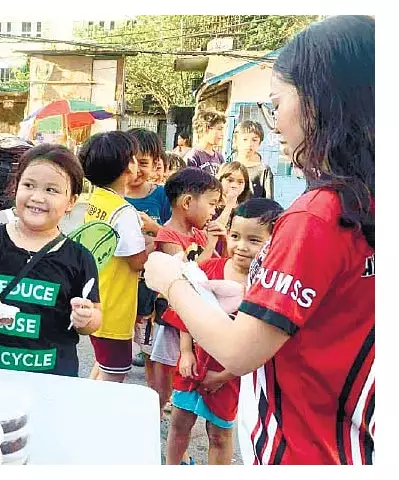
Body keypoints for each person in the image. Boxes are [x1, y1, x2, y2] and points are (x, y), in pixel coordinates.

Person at [143, 15, 375, 465]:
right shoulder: (368, 202)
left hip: (304, 447)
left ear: (318, 102)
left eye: (276, 104)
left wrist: (171, 280)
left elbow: (238, 350)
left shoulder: (316, 215)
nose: (274, 125)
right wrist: (247, 296)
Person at [0, 144, 101, 377]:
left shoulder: (80, 258)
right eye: (29, 185)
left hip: (52, 380)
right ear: (16, 187)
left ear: (71, 201)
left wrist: (86, 318)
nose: (37, 197)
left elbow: (95, 317)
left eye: (51, 190)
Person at [164, 198, 284, 465]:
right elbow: (186, 312)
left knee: (219, 434)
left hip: (231, 376)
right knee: (179, 422)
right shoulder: (208, 270)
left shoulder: (268, 287)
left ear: (275, 243)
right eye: (235, 236)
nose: (241, 246)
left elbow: (262, 346)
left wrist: (223, 376)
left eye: (254, 240)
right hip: (192, 365)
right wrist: (186, 352)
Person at [150, 168, 224, 420]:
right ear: (187, 202)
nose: (214, 211)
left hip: (194, 319)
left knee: (185, 378)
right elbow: (186, 274)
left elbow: (217, 267)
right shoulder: (167, 235)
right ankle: (154, 418)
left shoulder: (200, 234)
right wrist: (210, 245)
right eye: (211, 203)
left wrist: (224, 242)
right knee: (164, 381)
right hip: (171, 319)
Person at [79, 132, 149, 383]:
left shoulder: (98, 199)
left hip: (99, 298)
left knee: (102, 364)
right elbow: (136, 261)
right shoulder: (124, 211)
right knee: (114, 374)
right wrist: (157, 243)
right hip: (115, 309)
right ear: (127, 166)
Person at [124, 128, 172, 380]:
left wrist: (155, 229)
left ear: (156, 165)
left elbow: (176, 236)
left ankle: (157, 394)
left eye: (142, 163)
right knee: (115, 344)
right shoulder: (110, 196)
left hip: (151, 286)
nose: (134, 169)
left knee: (151, 348)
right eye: (128, 161)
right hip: (120, 283)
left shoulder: (162, 196)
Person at [212, 161, 252, 256]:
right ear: (220, 180)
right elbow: (215, 228)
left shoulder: (245, 208)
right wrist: (229, 205)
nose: (234, 185)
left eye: (240, 182)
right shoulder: (212, 205)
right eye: (230, 180)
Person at [230, 120, 274, 199]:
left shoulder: (264, 170)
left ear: (259, 143)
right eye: (245, 139)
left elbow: (269, 201)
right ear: (236, 140)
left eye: (254, 140)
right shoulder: (228, 168)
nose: (249, 144)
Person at [184, 110, 226, 176]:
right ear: (206, 128)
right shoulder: (193, 157)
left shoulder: (219, 157)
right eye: (219, 129)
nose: (222, 134)